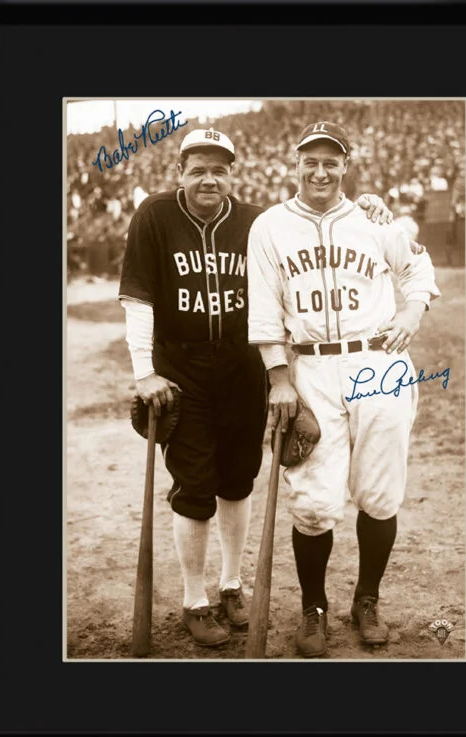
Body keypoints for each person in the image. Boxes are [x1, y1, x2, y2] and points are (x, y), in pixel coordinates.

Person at [118, 126, 396, 649]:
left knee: (239, 479)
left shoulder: (254, 222)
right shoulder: (154, 215)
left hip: (244, 368)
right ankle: (195, 598)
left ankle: (230, 585)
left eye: (219, 169)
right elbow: (138, 298)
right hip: (181, 368)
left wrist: (367, 205)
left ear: (232, 174)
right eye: (198, 168)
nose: (209, 178)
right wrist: (143, 370)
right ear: (180, 171)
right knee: (195, 487)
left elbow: (310, 221)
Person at [246, 121, 442, 658]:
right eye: (310, 159)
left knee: (379, 495)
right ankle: (314, 608)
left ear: (345, 167)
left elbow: (419, 270)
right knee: (312, 502)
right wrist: (278, 378)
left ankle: (367, 599)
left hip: (378, 360)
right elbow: (263, 310)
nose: (320, 170)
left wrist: (411, 311)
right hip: (310, 369)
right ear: (296, 164)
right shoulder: (269, 227)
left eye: (331, 160)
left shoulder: (377, 222)